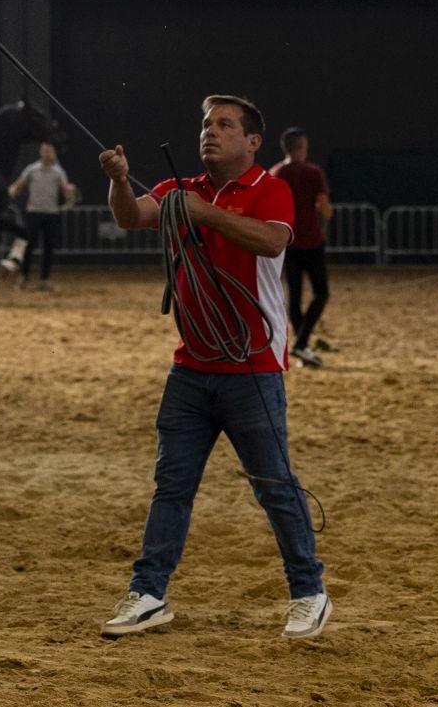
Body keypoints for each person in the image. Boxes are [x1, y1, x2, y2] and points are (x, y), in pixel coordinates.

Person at [96, 95, 329, 641]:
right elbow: (132, 216)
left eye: (225, 125)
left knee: (274, 486)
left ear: (252, 142)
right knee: (171, 486)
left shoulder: (271, 189)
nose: (210, 132)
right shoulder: (180, 191)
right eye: (205, 123)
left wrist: (206, 215)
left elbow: (273, 241)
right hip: (191, 370)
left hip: (254, 368)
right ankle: (149, 592)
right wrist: (118, 180)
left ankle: (308, 592)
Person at [269, 128, 333, 368]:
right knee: (321, 293)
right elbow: (325, 207)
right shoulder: (314, 172)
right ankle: (302, 342)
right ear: (302, 147)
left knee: (293, 297)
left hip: (287, 242)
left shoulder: (275, 173)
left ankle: (302, 344)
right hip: (312, 241)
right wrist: (324, 212)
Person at [7, 141, 78, 291]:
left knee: (48, 248)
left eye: (50, 151)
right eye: (45, 150)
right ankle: (23, 278)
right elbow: (19, 184)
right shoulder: (31, 169)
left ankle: (44, 280)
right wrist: (11, 191)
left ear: (54, 153)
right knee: (29, 246)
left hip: (51, 214)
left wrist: (71, 193)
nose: (47, 153)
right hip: (33, 213)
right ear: (40, 152)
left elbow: (66, 191)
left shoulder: (58, 172)